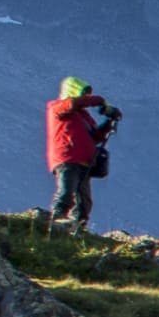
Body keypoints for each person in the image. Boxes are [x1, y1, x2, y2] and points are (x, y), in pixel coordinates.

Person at [44, 78, 120, 227]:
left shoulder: (83, 116)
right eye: (83, 94)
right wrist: (99, 101)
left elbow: (95, 137)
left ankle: (77, 224)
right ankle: (56, 219)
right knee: (67, 191)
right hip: (67, 157)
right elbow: (73, 103)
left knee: (83, 199)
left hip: (84, 161)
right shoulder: (57, 107)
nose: (84, 98)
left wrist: (109, 122)